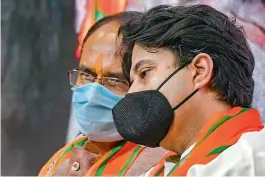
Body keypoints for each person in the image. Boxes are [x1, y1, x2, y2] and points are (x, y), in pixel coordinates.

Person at [113, 4, 265, 176]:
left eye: (144, 73)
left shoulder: (256, 155)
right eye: (131, 82)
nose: (131, 93)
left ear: (199, 71)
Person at [38, 12, 169, 176]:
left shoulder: (161, 166)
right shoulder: (59, 161)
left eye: (114, 80)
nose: (93, 92)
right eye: (87, 75)